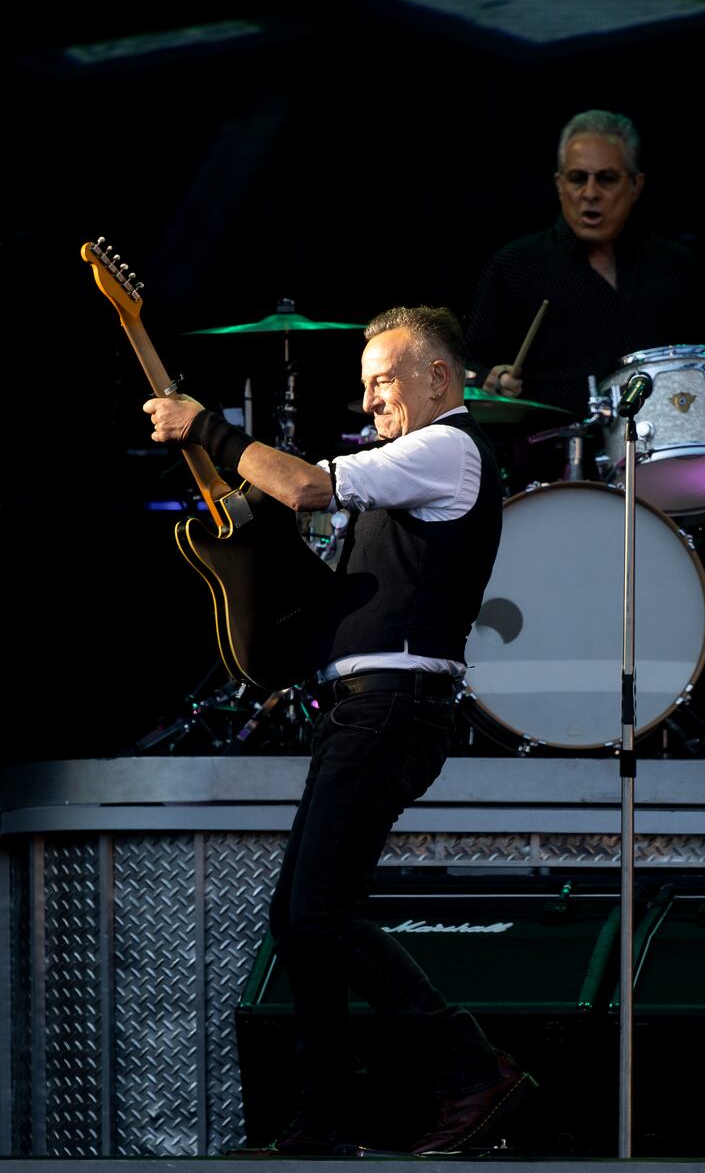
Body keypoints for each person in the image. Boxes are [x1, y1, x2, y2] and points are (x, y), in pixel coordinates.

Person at [144, 305, 537, 1156]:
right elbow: (301, 527)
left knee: (318, 908)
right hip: (369, 705)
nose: (371, 404)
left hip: (394, 706)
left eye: (384, 382)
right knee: (302, 914)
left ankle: (471, 1067)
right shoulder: (410, 473)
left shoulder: (449, 447)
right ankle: (326, 1118)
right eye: (364, 389)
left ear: (440, 378)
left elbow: (310, 484)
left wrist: (207, 425)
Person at [465, 108, 705, 421]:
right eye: (578, 179)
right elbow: (468, 364)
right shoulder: (516, 265)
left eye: (606, 179)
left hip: (665, 445)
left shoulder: (675, 266)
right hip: (559, 454)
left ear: (636, 185)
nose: (590, 193)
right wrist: (491, 378)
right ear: (559, 184)